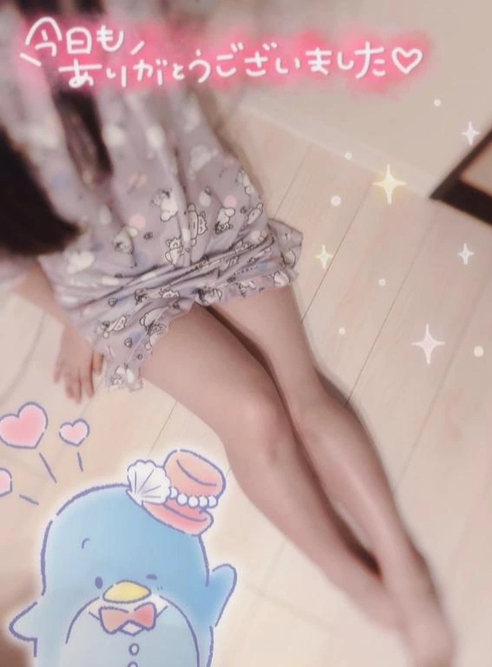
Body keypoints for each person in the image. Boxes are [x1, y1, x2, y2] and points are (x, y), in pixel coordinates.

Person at [0, 0, 455, 664]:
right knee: (253, 411)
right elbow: (10, 260)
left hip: (208, 215)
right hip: (111, 286)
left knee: (302, 392)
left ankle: (405, 568)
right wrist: (74, 318)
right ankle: (353, 577)